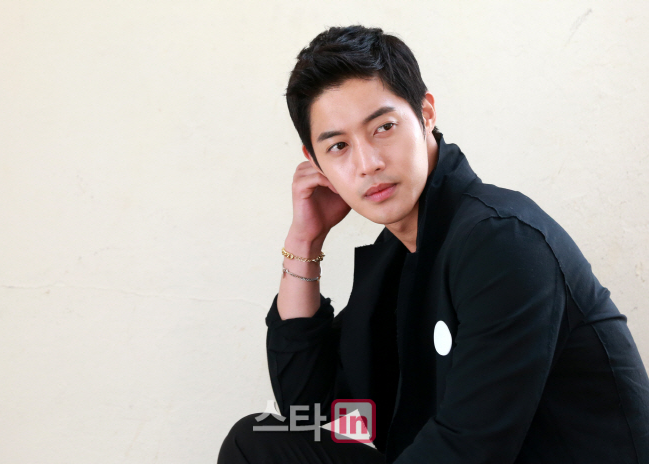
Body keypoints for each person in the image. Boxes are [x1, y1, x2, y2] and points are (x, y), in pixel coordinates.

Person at [218, 25, 649, 463]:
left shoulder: (502, 241)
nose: (368, 163)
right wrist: (305, 240)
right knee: (259, 444)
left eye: (383, 127)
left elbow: (468, 450)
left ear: (426, 113)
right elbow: (308, 408)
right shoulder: (399, 256)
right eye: (339, 146)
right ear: (315, 162)